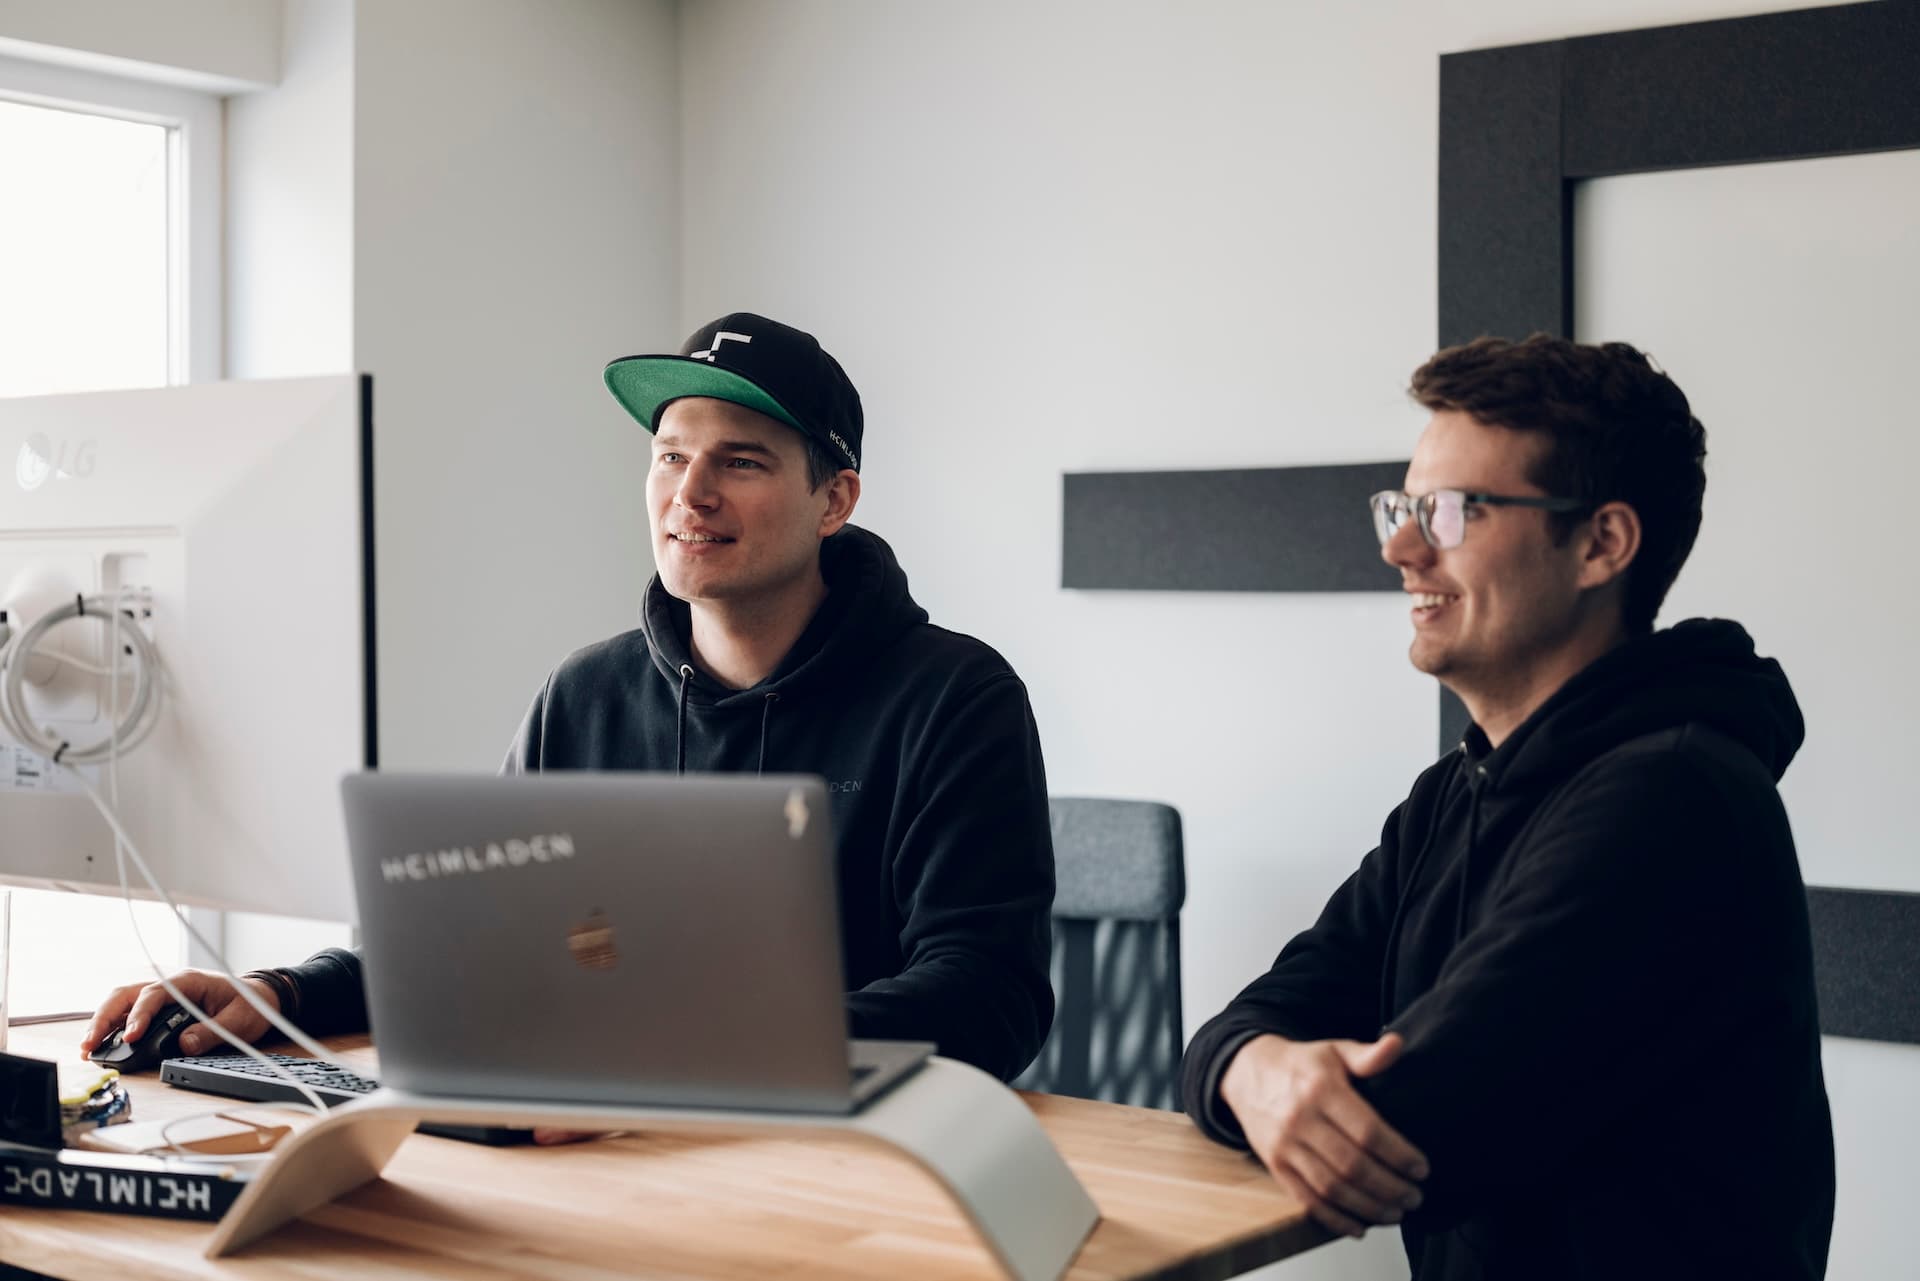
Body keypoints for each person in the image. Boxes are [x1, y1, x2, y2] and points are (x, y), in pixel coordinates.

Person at [84, 312, 1056, 1094]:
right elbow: (476, 941)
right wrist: (277, 991)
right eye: (671, 456)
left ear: (834, 499)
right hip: (612, 1137)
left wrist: (685, 1046)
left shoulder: (953, 698)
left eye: (742, 462)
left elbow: (988, 997)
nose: (692, 494)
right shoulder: (586, 694)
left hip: (856, 1160)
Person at [1181, 335, 1834, 1279]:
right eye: (1403, 508)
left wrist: (1256, 1070)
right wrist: (1247, 1067)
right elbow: (1261, 1014)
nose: (1402, 548)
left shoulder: (1673, 800)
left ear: (1601, 543)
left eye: (1452, 512)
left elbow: (1409, 1131)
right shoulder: (1455, 791)